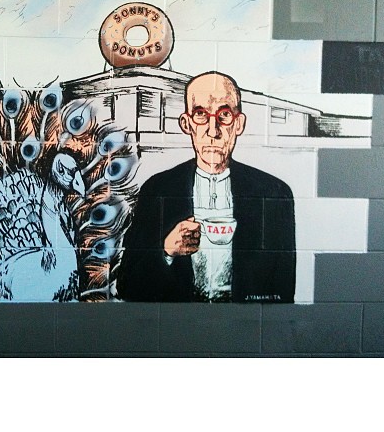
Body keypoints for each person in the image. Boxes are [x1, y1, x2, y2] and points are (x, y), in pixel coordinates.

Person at [117, 71, 296, 303]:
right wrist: (167, 251)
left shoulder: (273, 193)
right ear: (187, 123)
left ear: (239, 124)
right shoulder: (158, 190)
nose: (213, 131)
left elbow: (282, 292)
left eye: (224, 115)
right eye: (200, 114)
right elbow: (128, 286)